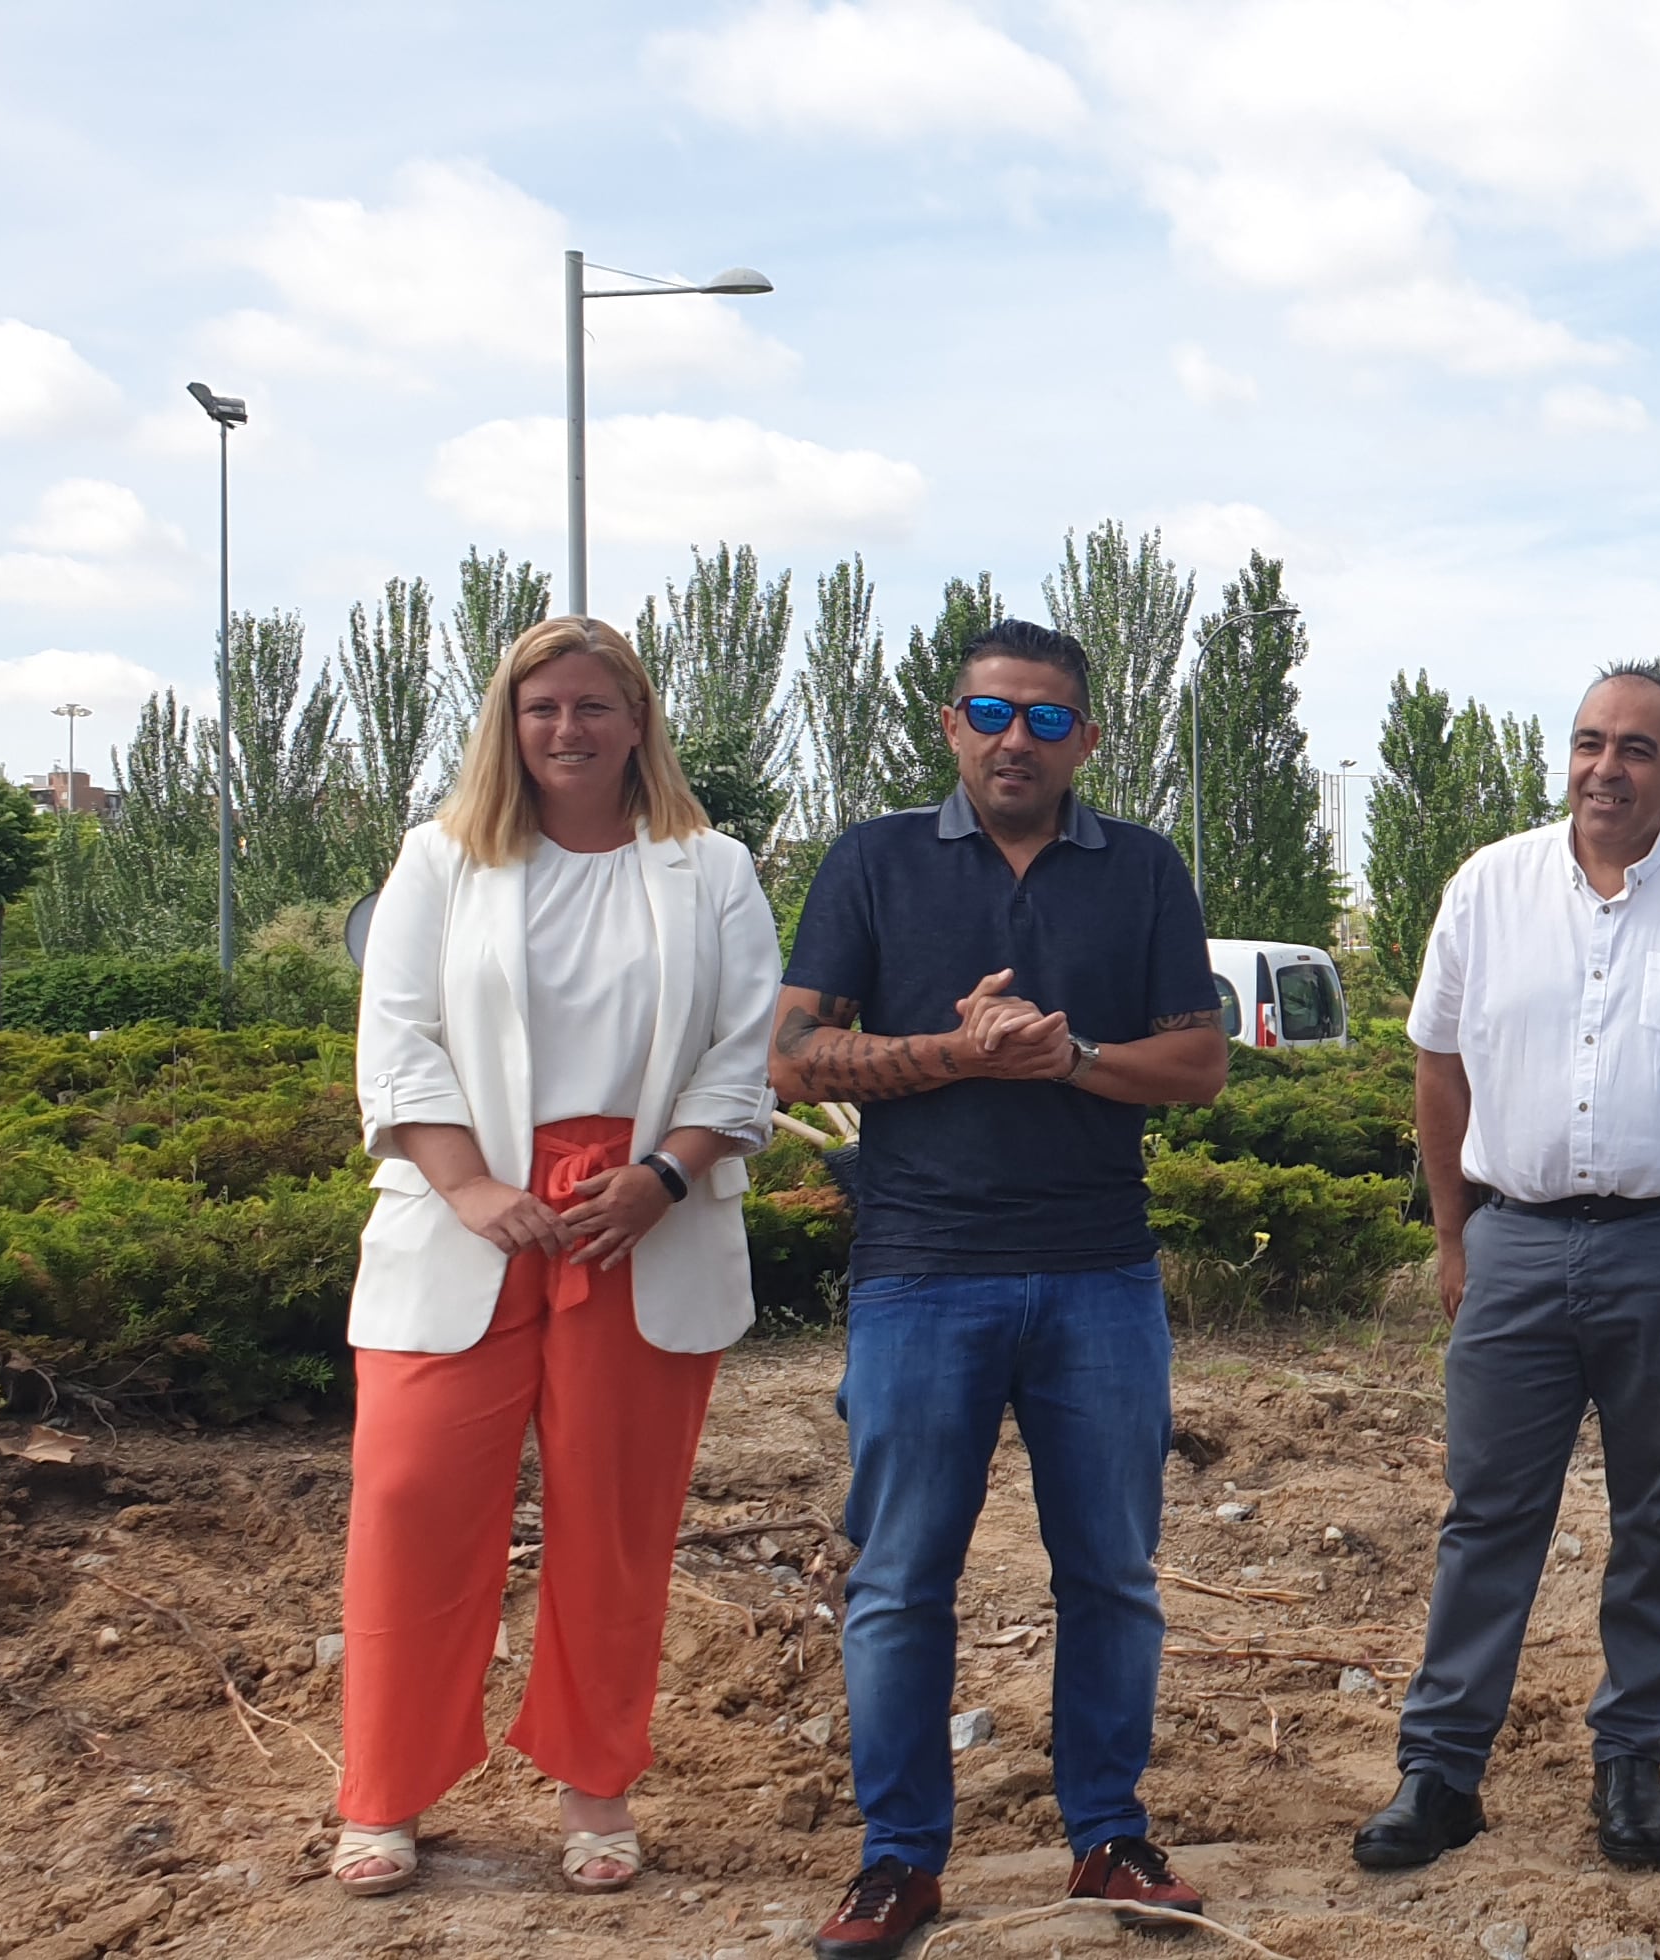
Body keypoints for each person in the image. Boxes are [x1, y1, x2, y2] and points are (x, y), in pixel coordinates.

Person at [772, 620, 1232, 1960]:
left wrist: (1067, 1054)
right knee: (904, 1579)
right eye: (991, 711)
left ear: (1086, 737)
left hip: (1100, 1275)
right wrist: (953, 1055)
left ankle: (1109, 1834)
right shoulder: (873, 862)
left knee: (1112, 1573)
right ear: (949, 724)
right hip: (920, 1274)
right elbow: (793, 1056)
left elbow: (1197, 1063)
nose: (1014, 738)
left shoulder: (1142, 870)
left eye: (1046, 718)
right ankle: (897, 1862)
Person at [335, 617, 783, 1898]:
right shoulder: (441, 859)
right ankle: (386, 1793)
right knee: (412, 1506)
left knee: (616, 1526)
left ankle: (597, 1789)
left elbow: (741, 1056)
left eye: (594, 706)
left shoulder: (713, 868)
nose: (568, 730)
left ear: (637, 721)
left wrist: (661, 1178)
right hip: (465, 1219)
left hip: (642, 1222)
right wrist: (471, 1182)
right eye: (542, 709)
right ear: (508, 724)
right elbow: (400, 1041)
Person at [1352, 660, 1660, 1875]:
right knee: (1487, 1514)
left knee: (1656, 1515)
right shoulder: (1488, 888)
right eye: (1588, 742)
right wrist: (1455, 1231)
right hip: (1515, 1238)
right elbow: (1439, 1062)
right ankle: (1443, 1769)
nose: (1606, 767)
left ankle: (1631, 1758)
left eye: (1636, 749)